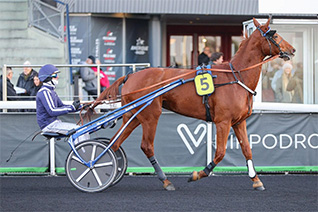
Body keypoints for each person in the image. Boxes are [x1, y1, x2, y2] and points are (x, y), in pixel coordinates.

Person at [36, 64, 89, 143]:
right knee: (79, 130)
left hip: (55, 123)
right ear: (47, 77)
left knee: (85, 129)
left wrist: (80, 107)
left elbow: (62, 106)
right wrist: (72, 108)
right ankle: (82, 153)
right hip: (49, 125)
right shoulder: (44, 92)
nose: (57, 77)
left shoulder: (51, 91)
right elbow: (52, 111)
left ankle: (86, 151)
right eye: (55, 75)